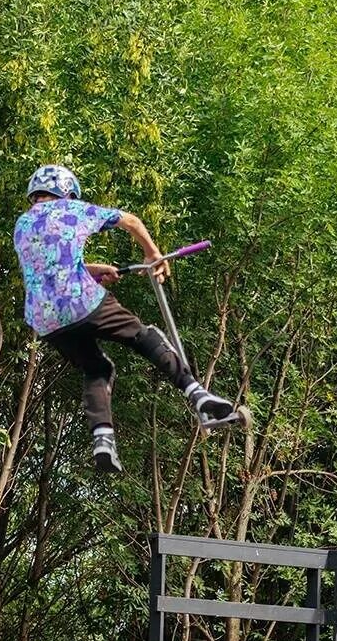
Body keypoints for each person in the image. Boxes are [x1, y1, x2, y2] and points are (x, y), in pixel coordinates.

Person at [13, 164, 240, 474]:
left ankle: (103, 441)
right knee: (144, 336)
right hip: (81, 302)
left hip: (45, 319)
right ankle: (197, 393)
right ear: (67, 191)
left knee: (98, 367)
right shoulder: (73, 208)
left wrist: (93, 270)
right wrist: (152, 253)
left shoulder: (23, 224)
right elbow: (130, 221)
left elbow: (51, 266)